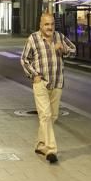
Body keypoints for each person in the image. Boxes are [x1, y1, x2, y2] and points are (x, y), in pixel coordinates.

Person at [20, 12, 76, 164]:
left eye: (51, 24)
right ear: (41, 25)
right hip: (41, 82)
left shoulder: (60, 37)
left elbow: (74, 50)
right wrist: (34, 75)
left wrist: (64, 49)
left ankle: (40, 144)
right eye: (46, 24)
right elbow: (24, 59)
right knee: (45, 115)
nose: (49, 27)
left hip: (57, 81)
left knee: (53, 116)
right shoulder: (33, 39)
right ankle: (51, 149)